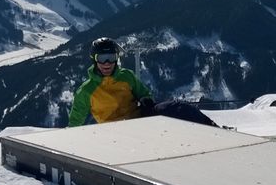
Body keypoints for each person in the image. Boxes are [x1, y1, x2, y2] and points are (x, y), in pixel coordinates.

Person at [68, 37, 218, 127]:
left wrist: (146, 99)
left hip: (139, 121)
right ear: (94, 60)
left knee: (177, 107)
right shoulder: (87, 90)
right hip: (114, 132)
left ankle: (212, 128)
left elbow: (143, 92)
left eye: (111, 58)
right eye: (102, 58)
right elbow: (76, 121)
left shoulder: (126, 76)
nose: (107, 63)